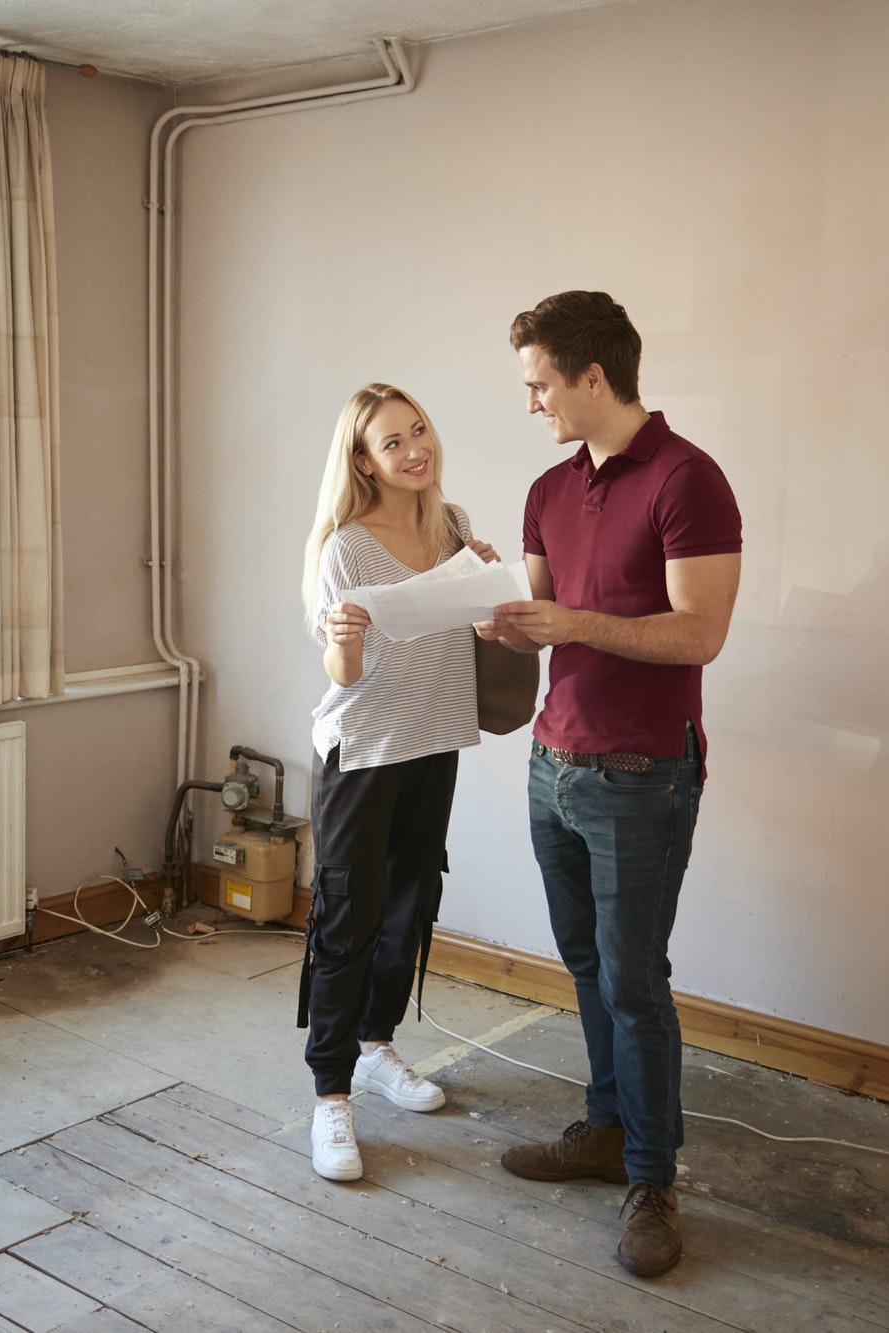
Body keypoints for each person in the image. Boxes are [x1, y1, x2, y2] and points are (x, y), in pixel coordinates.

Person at [476, 292, 742, 1277]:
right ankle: (600, 1129)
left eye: (539, 383)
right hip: (552, 763)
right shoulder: (548, 490)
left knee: (634, 984)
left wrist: (570, 624)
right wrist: (488, 608)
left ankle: (651, 1179)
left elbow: (698, 633)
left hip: (642, 774)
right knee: (585, 965)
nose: (532, 401)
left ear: (592, 376)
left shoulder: (689, 480)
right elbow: (537, 614)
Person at [299, 382, 498, 1182]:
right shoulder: (345, 545)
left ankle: (377, 1047)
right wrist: (344, 636)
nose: (416, 448)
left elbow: (480, 631)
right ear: (362, 460)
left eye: (419, 431)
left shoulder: (453, 528)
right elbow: (341, 669)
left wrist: (491, 602)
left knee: (411, 902)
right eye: (393, 441)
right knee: (348, 913)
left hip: (434, 739)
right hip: (363, 748)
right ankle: (330, 1094)